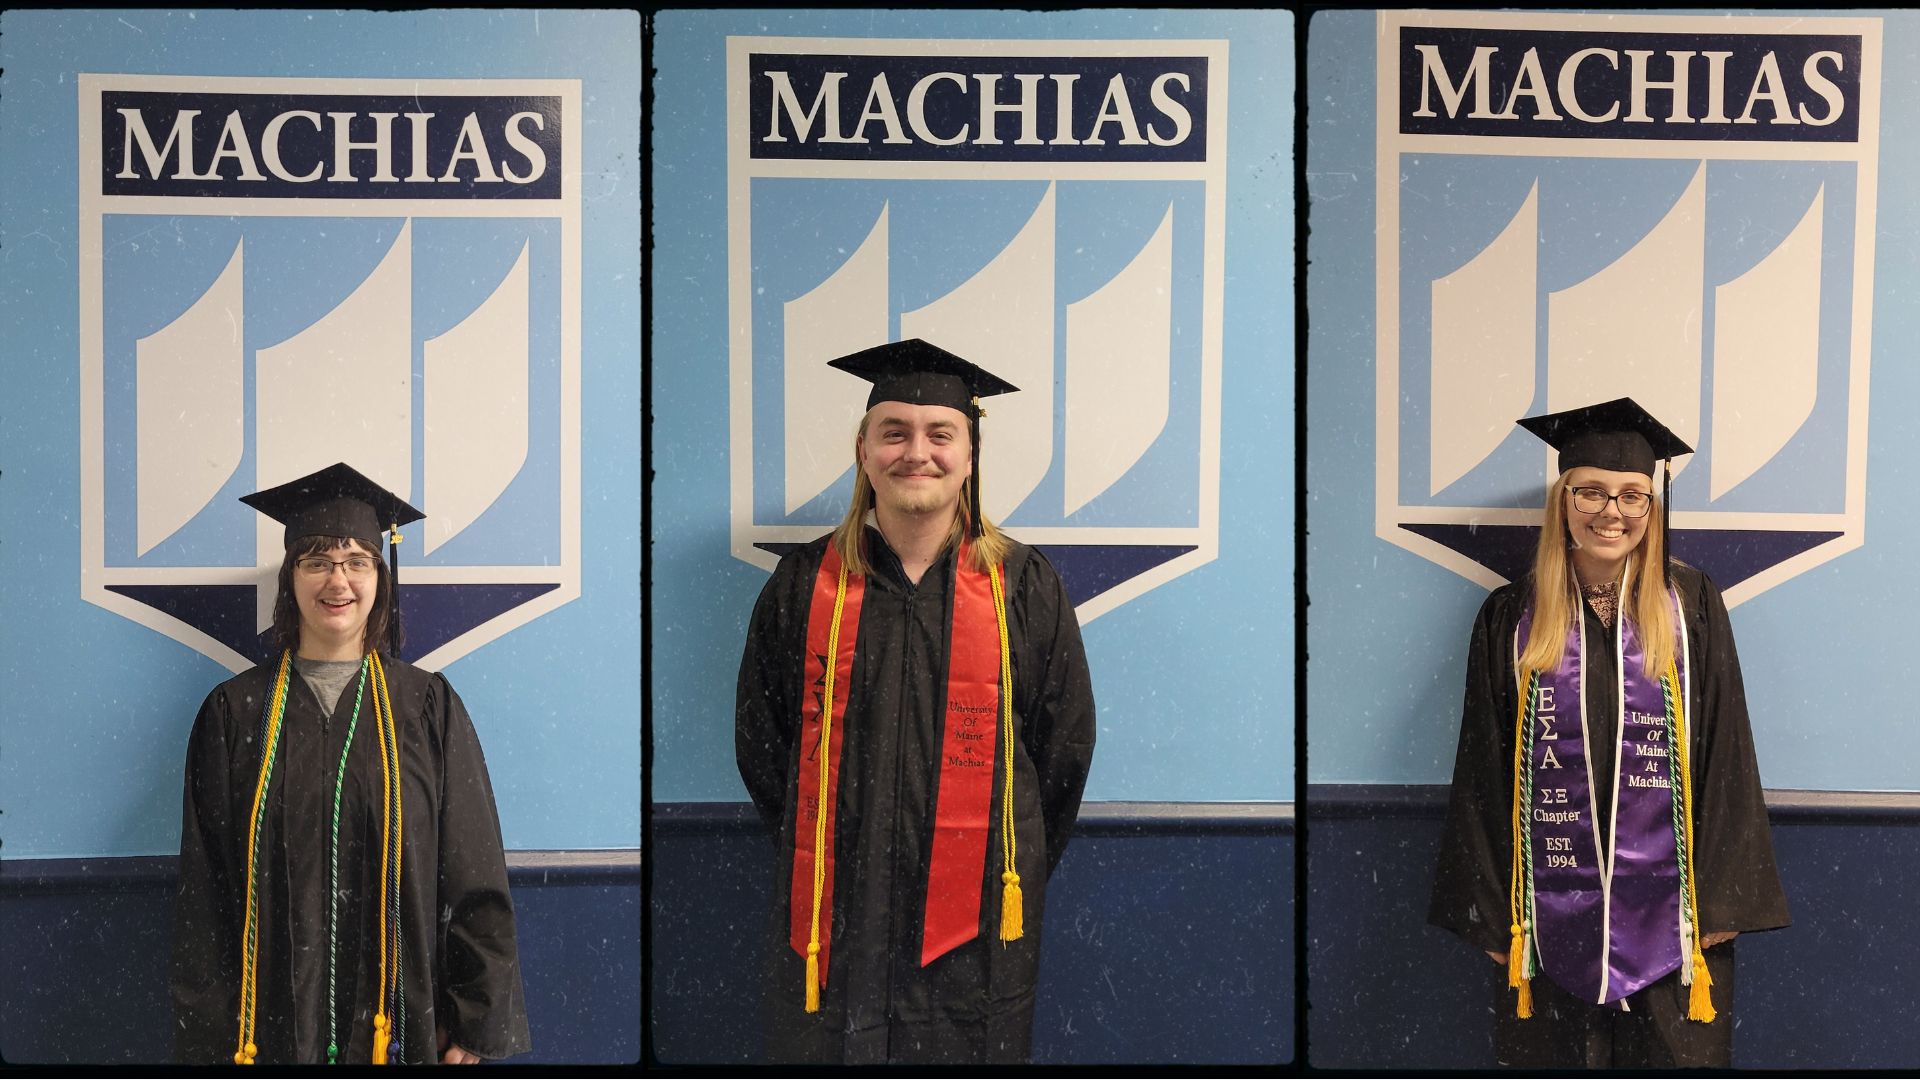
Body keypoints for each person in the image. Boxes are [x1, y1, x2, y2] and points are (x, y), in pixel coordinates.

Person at [735, 338, 1097, 1064]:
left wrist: (1003, 852)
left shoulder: (1024, 588)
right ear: (864, 450)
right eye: (893, 432)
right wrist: (845, 840)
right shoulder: (805, 587)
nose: (916, 452)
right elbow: (763, 745)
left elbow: (1062, 753)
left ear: (970, 454)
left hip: (978, 926)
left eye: (941, 434)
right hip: (837, 907)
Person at [1428, 398, 1790, 1067]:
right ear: (1563, 501)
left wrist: (1721, 896)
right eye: (1590, 491)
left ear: (1651, 510)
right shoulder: (1511, 617)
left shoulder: (1691, 608)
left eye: (1631, 495)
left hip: (1673, 921)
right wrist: (1488, 908)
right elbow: (1482, 767)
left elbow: (1727, 748)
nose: (1611, 512)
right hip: (1544, 914)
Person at [171, 463, 531, 1065]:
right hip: (266, 1027)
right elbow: (206, 895)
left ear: (379, 579)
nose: (337, 579)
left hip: (402, 1018)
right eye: (316, 560)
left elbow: (473, 871)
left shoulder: (426, 707)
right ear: (291, 579)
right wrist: (211, 1035)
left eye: (357, 560)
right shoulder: (235, 713)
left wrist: (475, 1017)